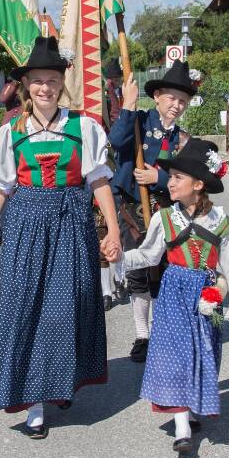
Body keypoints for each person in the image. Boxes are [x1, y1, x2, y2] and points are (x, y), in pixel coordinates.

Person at [0, 36, 121, 439]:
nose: (44, 88)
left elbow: (99, 182)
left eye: (51, 80)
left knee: (68, 306)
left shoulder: (84, 126)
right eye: (37, 81)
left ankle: (60, 379)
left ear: (61, 83)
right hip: (24, 227)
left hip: (72, 223)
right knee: (25, 307)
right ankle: (34, 402)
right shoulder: (10, 131)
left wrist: (113, 229)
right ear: (26, 85)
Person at [123, 138, 229, 455]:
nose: (171, 182)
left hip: (205, 297)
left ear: (198, 185)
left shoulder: (220, 223)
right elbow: (148, 256)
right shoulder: (163, 218)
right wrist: (117, 259)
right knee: (175, 357)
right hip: (172, 294)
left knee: (201, 353)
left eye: (178, 177)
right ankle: (182, 428)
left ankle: (192, 408)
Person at [108, 59, 194, 362]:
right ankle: (142, 334)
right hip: (134, 212)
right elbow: (116, 142)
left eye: (183, 101)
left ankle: (163, 330)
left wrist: (160, 178)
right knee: (138, 275)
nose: (177, 105)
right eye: (172, 97)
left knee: (166, 273)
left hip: (168, 214)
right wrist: (128, 105)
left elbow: (192, 181)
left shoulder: (183, 140)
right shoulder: (139, 121)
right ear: (157, 96)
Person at [100, 59, 127, 309]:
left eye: (118, 77)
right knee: (102, 227)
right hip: (102, 160)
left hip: (120, 162)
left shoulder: (121, 93)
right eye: (114, 77)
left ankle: (120, 278)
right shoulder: (102, 94)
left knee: (122, 224)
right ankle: (106, 289)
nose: (116, 81)